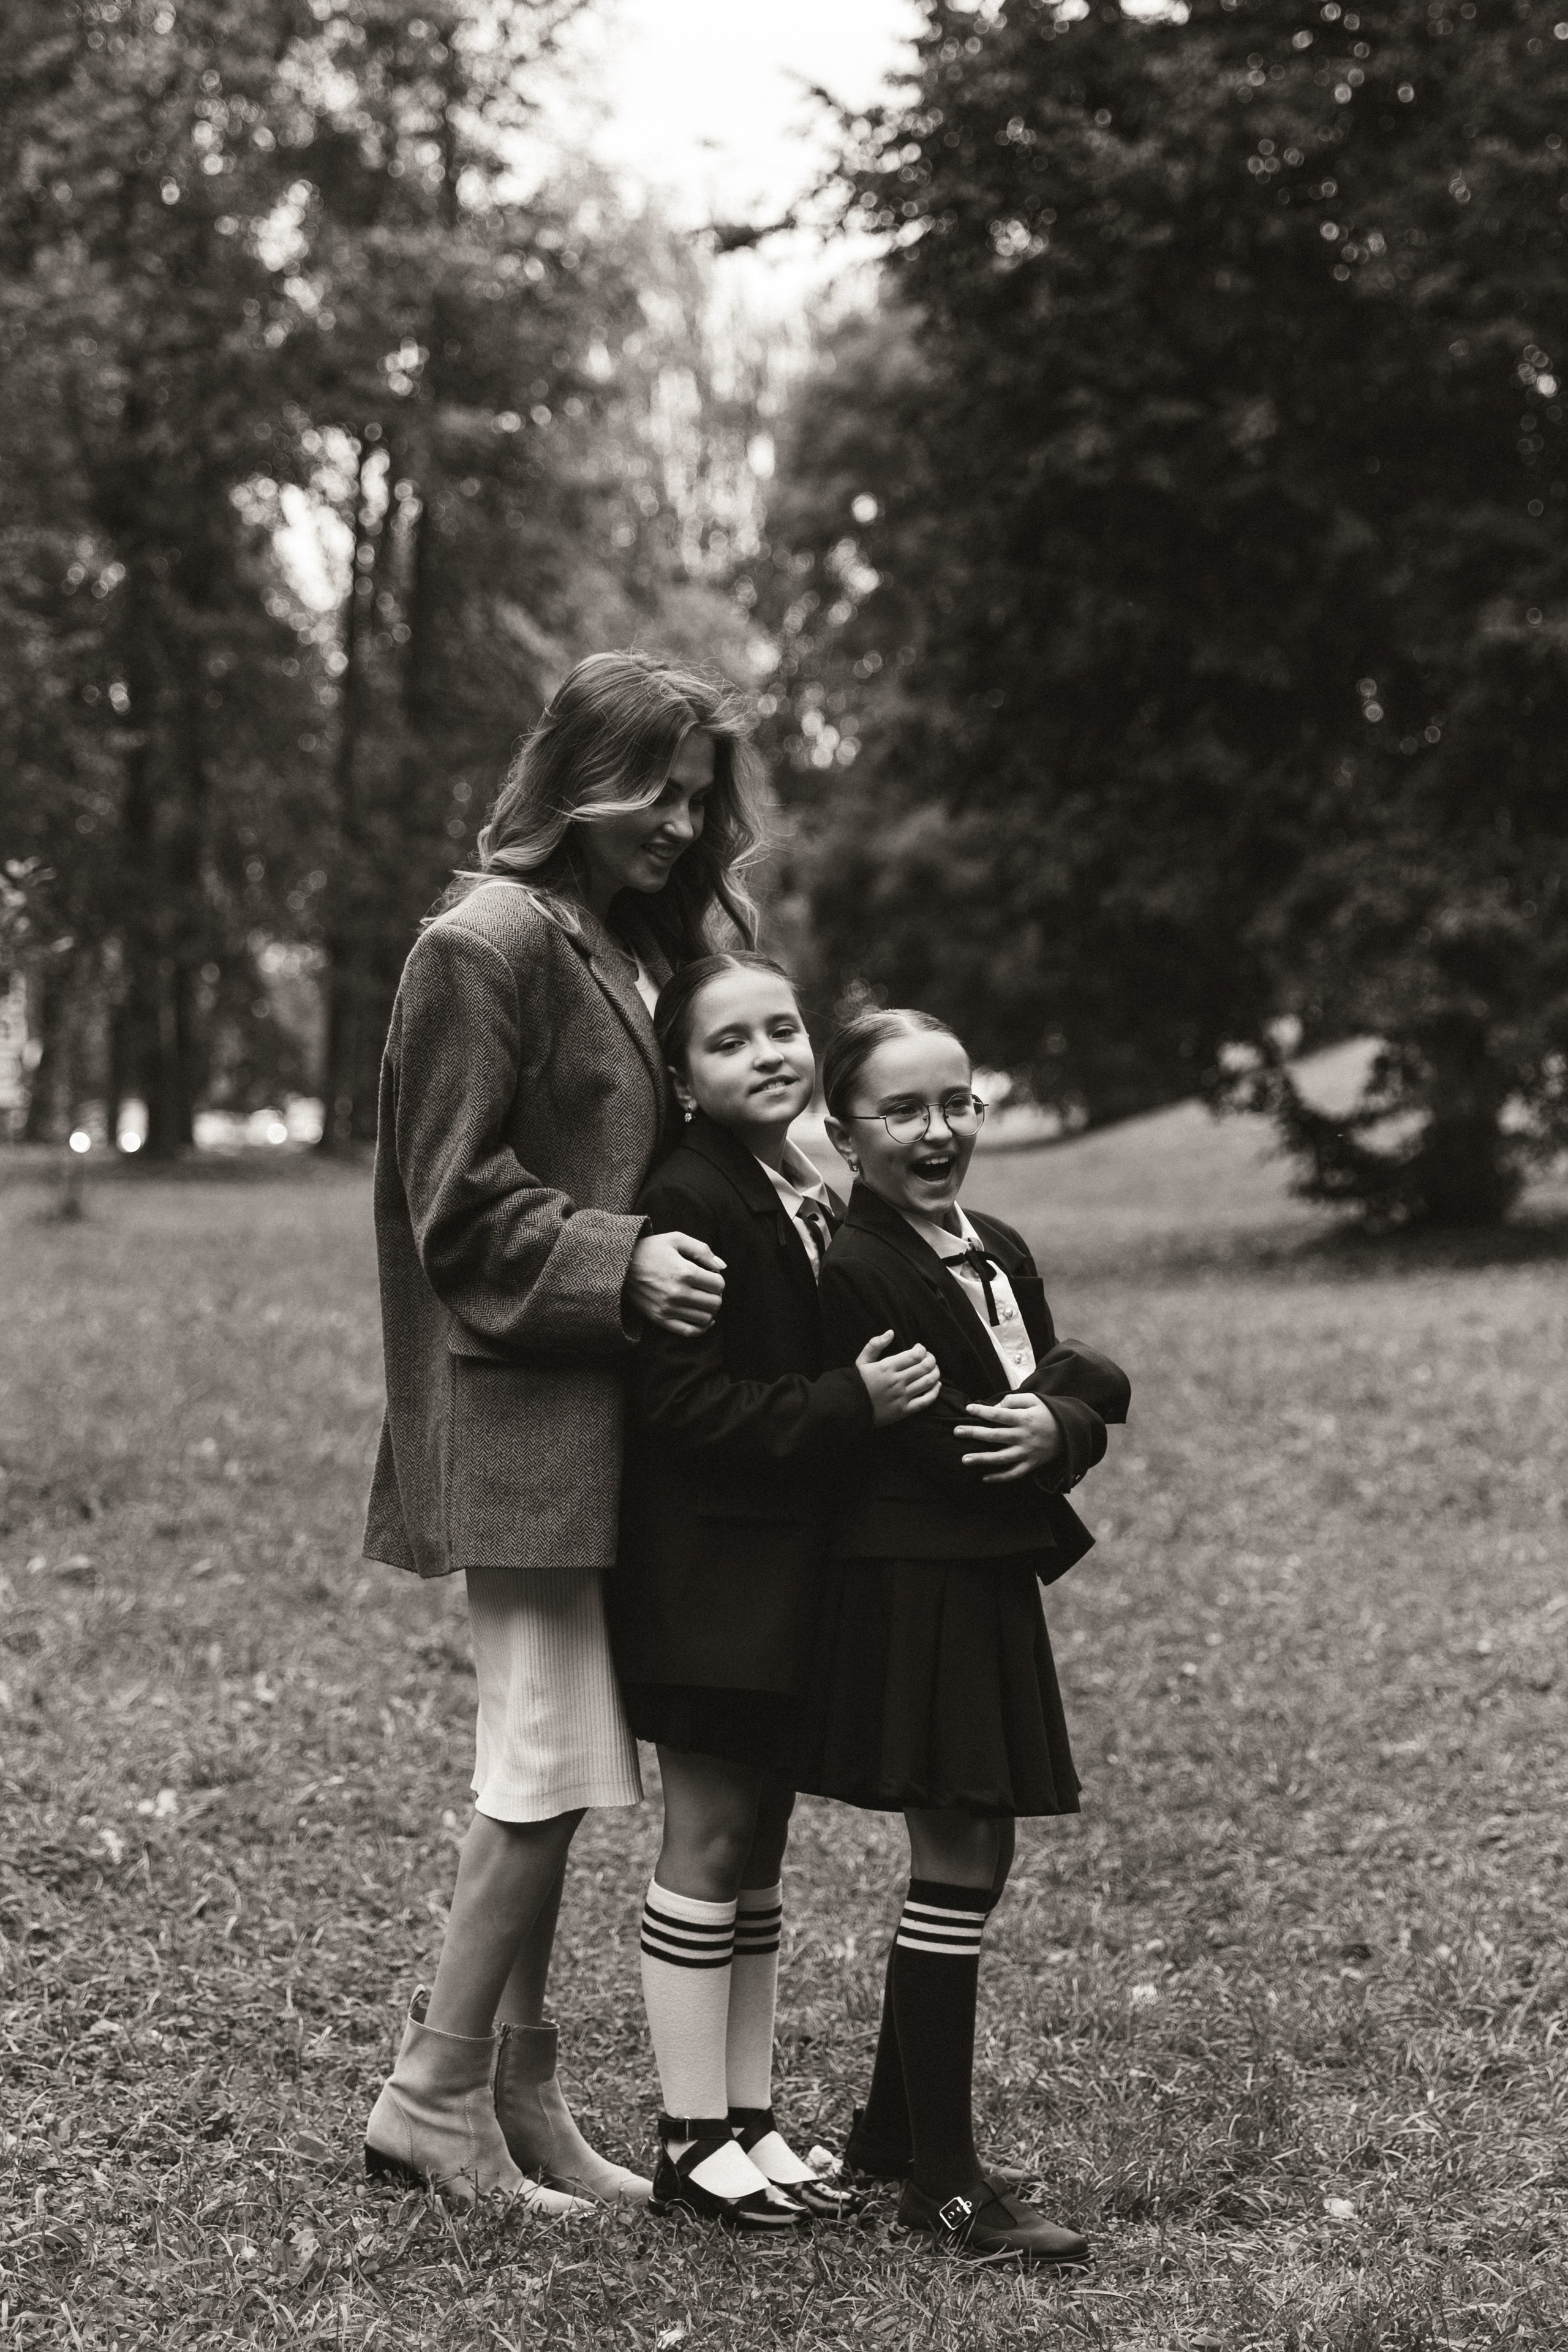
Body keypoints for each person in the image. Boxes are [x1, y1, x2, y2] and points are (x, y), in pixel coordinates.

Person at [360, 652, 761, 2212]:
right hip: (521, 1416)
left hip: (611, 1420)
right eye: (653, 786)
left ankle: (522, 2100)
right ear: (577, 772)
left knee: (566, 1756)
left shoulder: (625, 940)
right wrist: (621, 1260)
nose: (678, 819)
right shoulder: (485, 942)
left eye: (696, 792)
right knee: (539, 1758)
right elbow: (448, 1202)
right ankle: (429, 2097)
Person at [609, 951, 942, 2231]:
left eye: (782, 1029)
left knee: (757, 1850)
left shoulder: (794, 1183)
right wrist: (842, 1404)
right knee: (703, 1843)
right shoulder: (689, 1195)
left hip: (784, 1575)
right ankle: (690, 2141)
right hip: (707, 1576)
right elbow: (679, 1407)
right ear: (682, 1078)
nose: (767, 1054)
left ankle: (749, 2120)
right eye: (728, 1041)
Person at [794, 1007, 1131, 2267]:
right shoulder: (857, 1270)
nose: (936, 1133)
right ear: (842, 1133)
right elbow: (970, 1442)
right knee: (959, 1845)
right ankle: (941, 2181)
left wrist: (1068, 1417)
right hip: (916, 1579)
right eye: (901, 1111)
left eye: (957, 1103)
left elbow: (1054, 1384)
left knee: (967, 1847)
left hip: (980, 1574)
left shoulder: (992, 1243)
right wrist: (1062, 1412)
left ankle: (890, 2134)